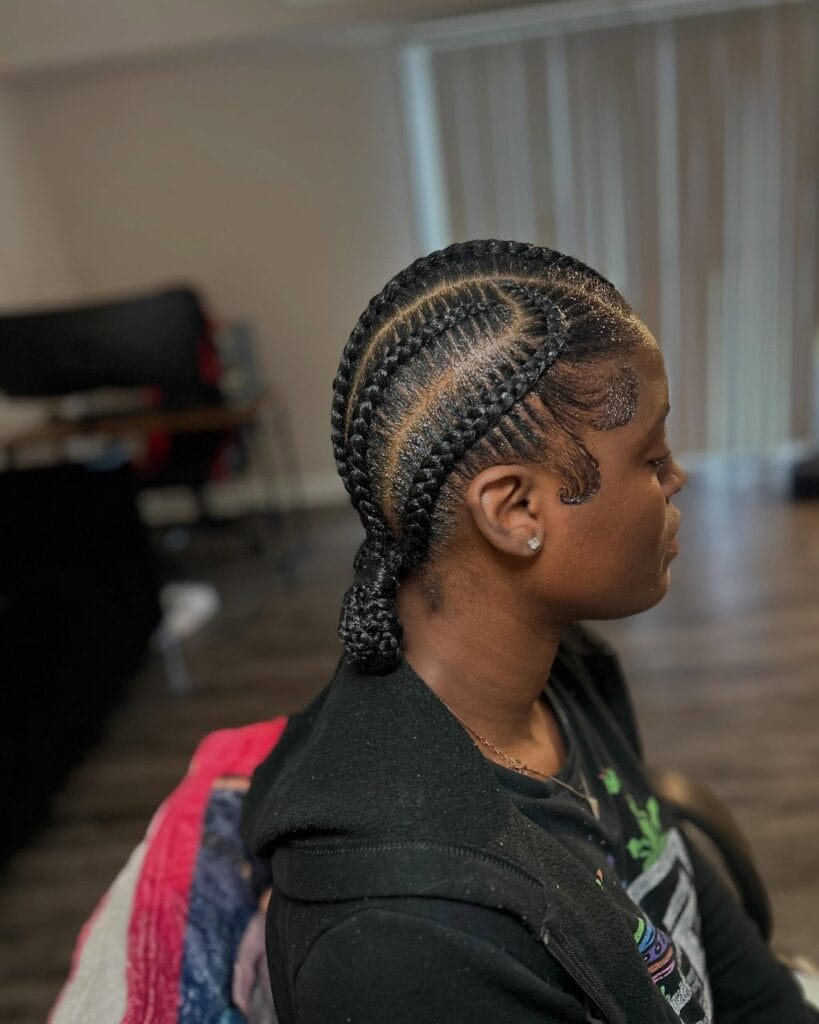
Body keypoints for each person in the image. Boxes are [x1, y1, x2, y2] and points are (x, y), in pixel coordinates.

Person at [242, 240, 816, 1023]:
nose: (676, 477)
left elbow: (699, 923)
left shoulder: (561, 669)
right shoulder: (399, 943)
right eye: (649, 457)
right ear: (514, 510)